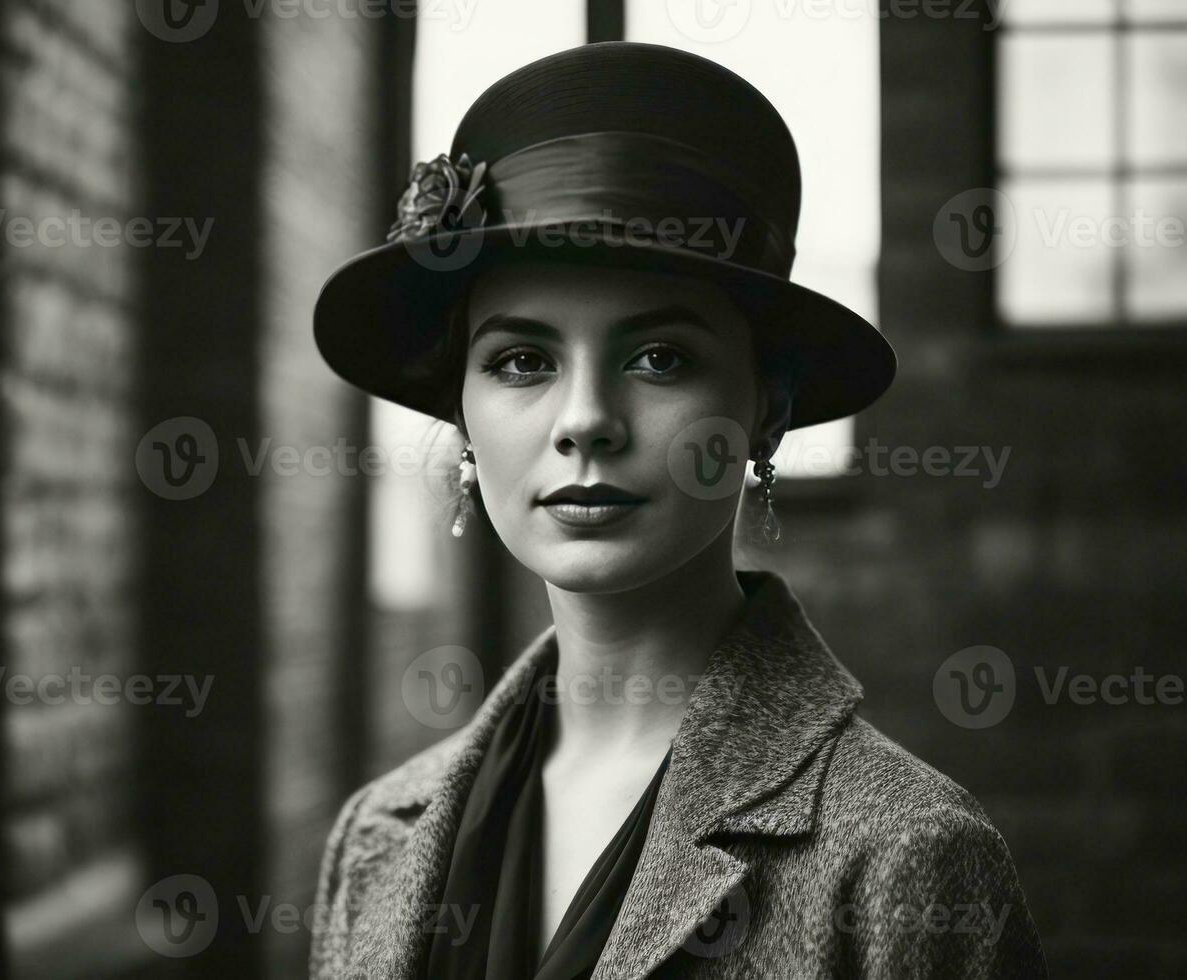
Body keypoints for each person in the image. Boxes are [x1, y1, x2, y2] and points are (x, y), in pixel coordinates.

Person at [309, 41, 1047, 980]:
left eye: (658, 358)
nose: (585, 422)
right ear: (462, 412)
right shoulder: (377, 838)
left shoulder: (907, 858)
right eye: (522, 362)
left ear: (766, 410)